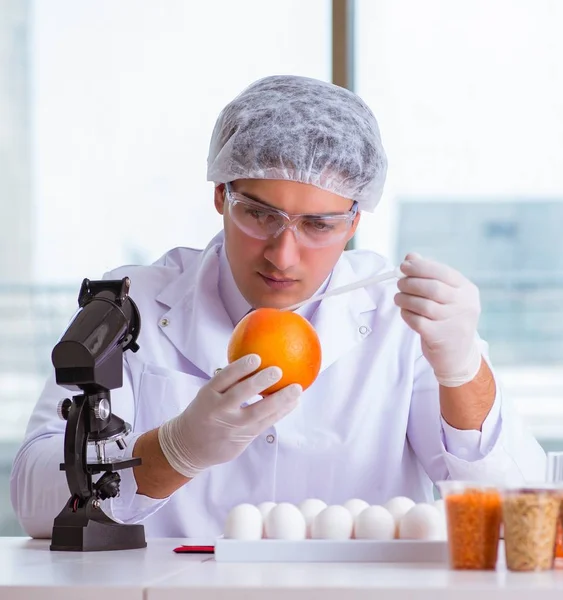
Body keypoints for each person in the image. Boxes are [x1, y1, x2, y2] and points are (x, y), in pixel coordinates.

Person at [11, 75, 545, 539]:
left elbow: (515, 509)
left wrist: (463, 370)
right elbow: (34, 500)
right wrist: (172, 452)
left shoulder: (399, 319)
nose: (283, 255)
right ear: (220, 194)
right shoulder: (131, 306)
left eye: (319, 224)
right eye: (260, 215)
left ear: (355, 221)